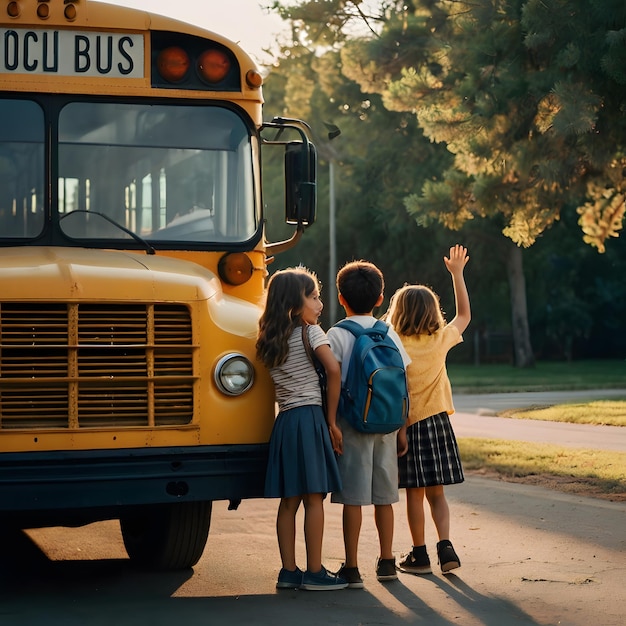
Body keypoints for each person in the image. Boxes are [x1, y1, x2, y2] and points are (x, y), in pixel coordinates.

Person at [256, 267, 348, 591]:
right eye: (314, 297)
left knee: (289, 501)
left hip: (285, 423)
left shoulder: (269, 341)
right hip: (310, 419)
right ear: (296, 305)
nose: (319, 304)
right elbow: (333, 370)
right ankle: (315, 571)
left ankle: (288, 572)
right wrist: (332, 421)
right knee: (314, 498)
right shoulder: (312, 333)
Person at [386, 244, 471, 575]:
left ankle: (419, 554)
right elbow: (464, 315)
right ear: (434, 311)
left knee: (414, 494)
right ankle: (445, 546)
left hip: (407, 426)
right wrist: (457, 274)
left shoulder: (393, 340)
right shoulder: (441, 338)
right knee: (438, 493)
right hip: (437, 426)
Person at [326, 260, 411, 589]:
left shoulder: (337, 334)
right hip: (387, 424)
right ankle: (387, 560)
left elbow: (332, 379)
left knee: (353, 497)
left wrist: (331, 421)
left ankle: (352, 567)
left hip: (353, 424)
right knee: (384, 496)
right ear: (380, 298)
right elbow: (405, 381)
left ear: (341, 298)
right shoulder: (389, 332)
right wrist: (402, 426)